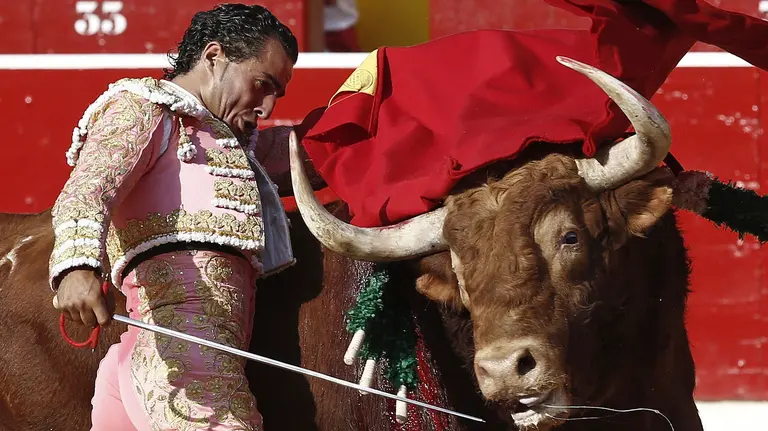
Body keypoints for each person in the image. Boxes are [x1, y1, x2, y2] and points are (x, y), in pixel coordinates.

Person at [51, 4, 298, 430]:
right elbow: (89, 188)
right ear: (214, 56)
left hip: (170, 365)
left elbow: (313, 152)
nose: (268, 107)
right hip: (184, 370)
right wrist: (76, 266)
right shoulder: (145, 109)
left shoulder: (233, 144)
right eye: (262, 84)